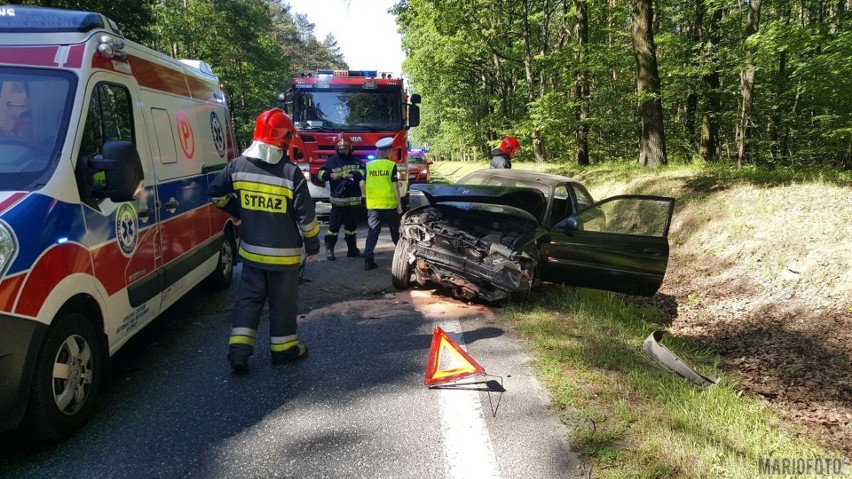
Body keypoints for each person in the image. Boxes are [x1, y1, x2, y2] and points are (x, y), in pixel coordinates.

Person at [208, 108, 320, 373]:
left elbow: (215, 194)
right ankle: (284, 352)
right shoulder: (290, 173)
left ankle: (238, 353)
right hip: (284, 258)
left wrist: (239, 211)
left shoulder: (236, 166)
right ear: (284, 139)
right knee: (283, 305)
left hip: (251, 256)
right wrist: (313, 246)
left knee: (248, 301)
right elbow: (306, 218)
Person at [316, 133, 365, 261]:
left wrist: (355, 173)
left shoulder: (356, 160)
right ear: (336, 149)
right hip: (338, 202)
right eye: (340, 148)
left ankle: (352, 250)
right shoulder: (331, 161)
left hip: (353, 201)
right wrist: (329, 175)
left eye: (345, 148)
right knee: (333, 228)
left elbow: (364, 171)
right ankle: (330, 250)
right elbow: (319, 174)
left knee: (351, 228)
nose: (343, 150)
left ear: (350, 148)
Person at [360, 137, 402, 271]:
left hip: (373, 205)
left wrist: (367, 196)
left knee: (373, 232)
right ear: (387, 151)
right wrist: (399, 204)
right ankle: (401, 257)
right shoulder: (391, 165)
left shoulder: (368, 165)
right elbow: (396, 187)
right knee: (395, 232)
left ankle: (368, 261)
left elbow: (361, 183)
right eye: (390, 151)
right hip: (389, 205)